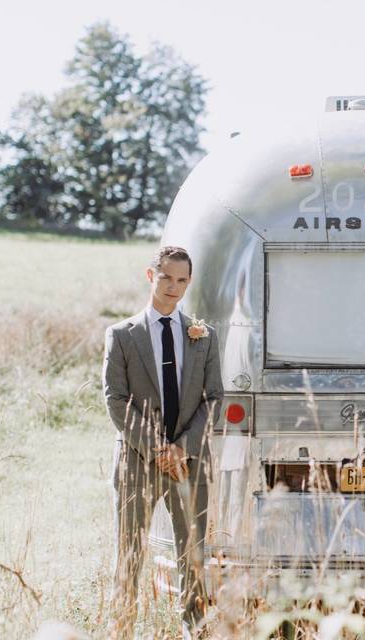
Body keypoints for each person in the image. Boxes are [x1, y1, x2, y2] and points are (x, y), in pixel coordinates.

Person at [103, 246, 223, 640]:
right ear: (150, 275)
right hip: (139, 460)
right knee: (130, 552)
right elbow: (115, 400)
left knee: (193, 553)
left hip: (189, 461)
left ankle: (196, 629)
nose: (174, 287)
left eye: (182, 280)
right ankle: (122, 628)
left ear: (189, 282)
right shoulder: (122, 335)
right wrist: (156, 447)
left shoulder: (204, 337)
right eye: (167, 277)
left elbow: (214, 399)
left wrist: (181, 448)